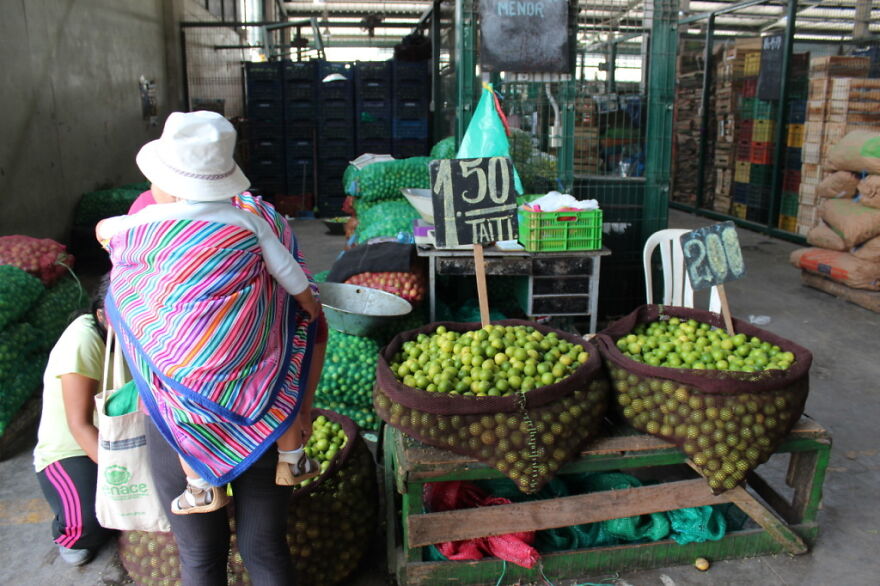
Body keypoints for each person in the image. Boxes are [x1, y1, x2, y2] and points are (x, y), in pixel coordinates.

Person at [98, 111, 327, 583]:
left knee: (199, 557)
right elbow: (309, 319)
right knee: (264, 549)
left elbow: (126, 316)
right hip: (265, 410)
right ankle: (288, 455)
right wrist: (300, 409)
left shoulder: (140, 229)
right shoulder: (262, 222)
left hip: (177, 416)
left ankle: (203, 483)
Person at [33, 277, 116, 566]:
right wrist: (121, 477)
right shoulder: (82, 341)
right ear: (102, 316)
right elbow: (79, 425)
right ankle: (66, 531)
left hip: (121, 436)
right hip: (74, 447)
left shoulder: (139, 333)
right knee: (88, 526)